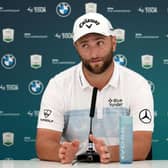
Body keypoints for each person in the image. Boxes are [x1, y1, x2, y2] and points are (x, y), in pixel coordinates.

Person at [36, 12, 154, 164]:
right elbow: (44, 142)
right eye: (85, 45)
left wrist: (108, 153)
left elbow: (142, 145)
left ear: (113, 42)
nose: (93, 53)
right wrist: (61, 153)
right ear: (76, 47)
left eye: (99, 42)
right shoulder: (58, 85)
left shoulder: (137, 85)